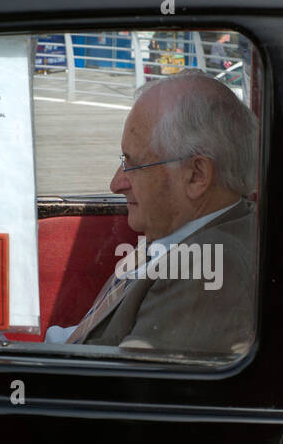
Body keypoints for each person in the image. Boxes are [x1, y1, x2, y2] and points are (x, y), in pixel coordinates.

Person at [46, 69, 257, 353]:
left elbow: (129, 389)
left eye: (133, 164)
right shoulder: (178, 234)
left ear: (196, 175)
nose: (115, 184)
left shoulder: (206, 269)